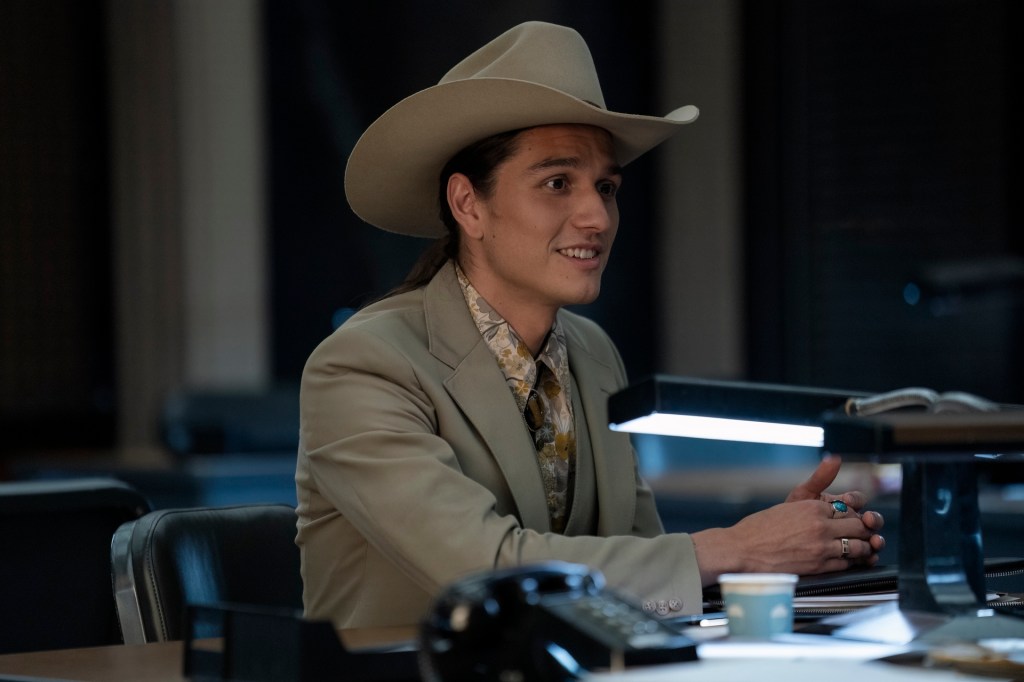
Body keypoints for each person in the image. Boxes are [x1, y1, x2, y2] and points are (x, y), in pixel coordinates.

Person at [295, 20, 885, 628]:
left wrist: (777, 552)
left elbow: (643, 568)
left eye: (606, 187)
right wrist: (738, 549)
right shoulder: (363, 364)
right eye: (557, 183)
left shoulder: (592, 353)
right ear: (468, 204)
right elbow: (483, 571)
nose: (597, 216)